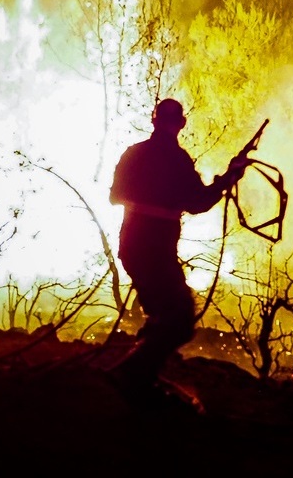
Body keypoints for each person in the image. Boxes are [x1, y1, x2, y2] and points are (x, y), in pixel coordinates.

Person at [107, 98, 245, 395]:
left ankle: (140, 376)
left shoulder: (133, 153)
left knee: (161, 314)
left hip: (132, 247)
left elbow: (115, 196)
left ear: (153, 121)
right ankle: (133, 376)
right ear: (180, 124)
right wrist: (230, 176)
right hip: (155, 252)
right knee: (180, 320)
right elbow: (199, 202)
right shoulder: (177, 159)